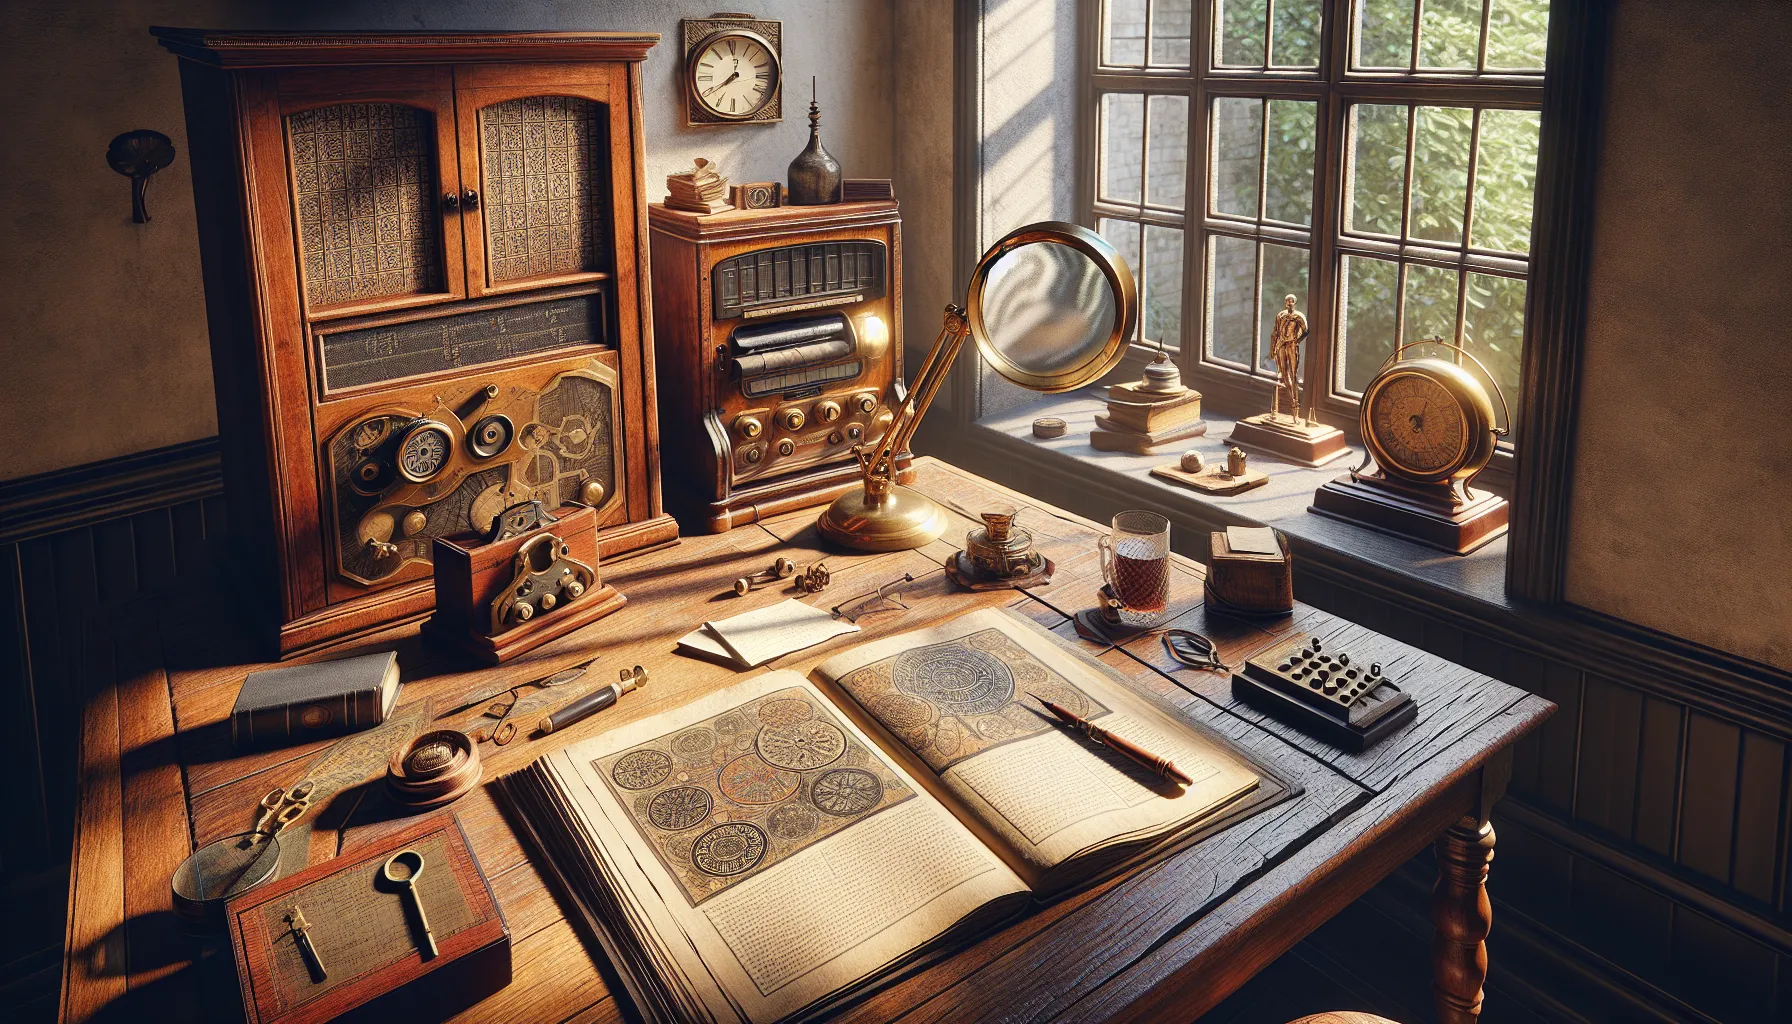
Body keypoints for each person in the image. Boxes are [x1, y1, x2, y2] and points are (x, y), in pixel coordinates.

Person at [1270, 294, 1308, 424]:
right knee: (1283, 374)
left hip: (1292, 346)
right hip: (1281, 345)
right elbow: (1275, 332)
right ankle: (1290, 402)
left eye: (1291, 301)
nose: (1289, 303)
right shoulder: (1281, 315)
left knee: (1293, 374)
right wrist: (1272, 349)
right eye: (1287, 301)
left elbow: (1306, 331)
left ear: (1294, 302)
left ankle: (1295, 410)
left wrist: (1297, 341)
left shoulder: (1299, 316)